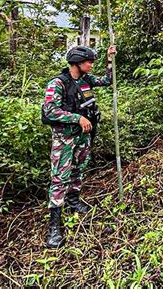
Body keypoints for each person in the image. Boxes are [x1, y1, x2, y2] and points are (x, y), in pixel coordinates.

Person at [42, 44, 115, 249]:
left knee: (78, 171)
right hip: (65, 139)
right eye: (88, 61)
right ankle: (54, 225)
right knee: (59, 178)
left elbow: (107, 81)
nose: (91, 65)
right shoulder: (58, 83)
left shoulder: (85, 80)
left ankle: (73, 202)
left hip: (83, 137)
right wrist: (77, 118)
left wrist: (110, 60)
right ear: (76, 62)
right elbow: (50, 111)